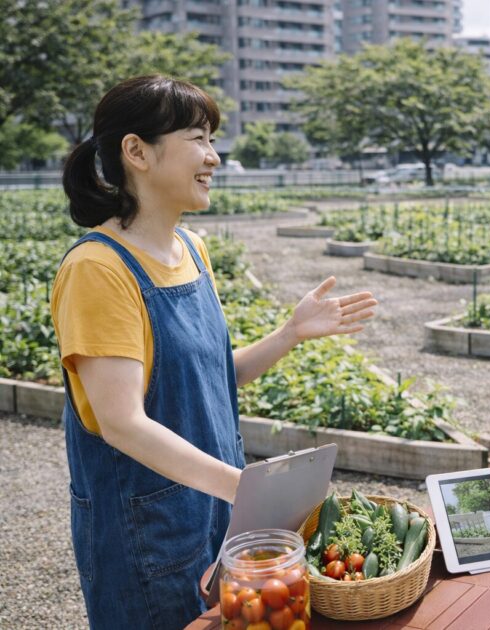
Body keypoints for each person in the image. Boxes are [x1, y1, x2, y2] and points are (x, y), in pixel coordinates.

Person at [54, 75, 378, 629]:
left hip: (214, 509)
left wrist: (290, 333)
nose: (214, 157)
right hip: (145, 530)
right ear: (137, 152)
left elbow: (208, 382)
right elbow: (123, 424)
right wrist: (249, 490)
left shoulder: (191, 250)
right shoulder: (97, 269)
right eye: (198, 138)